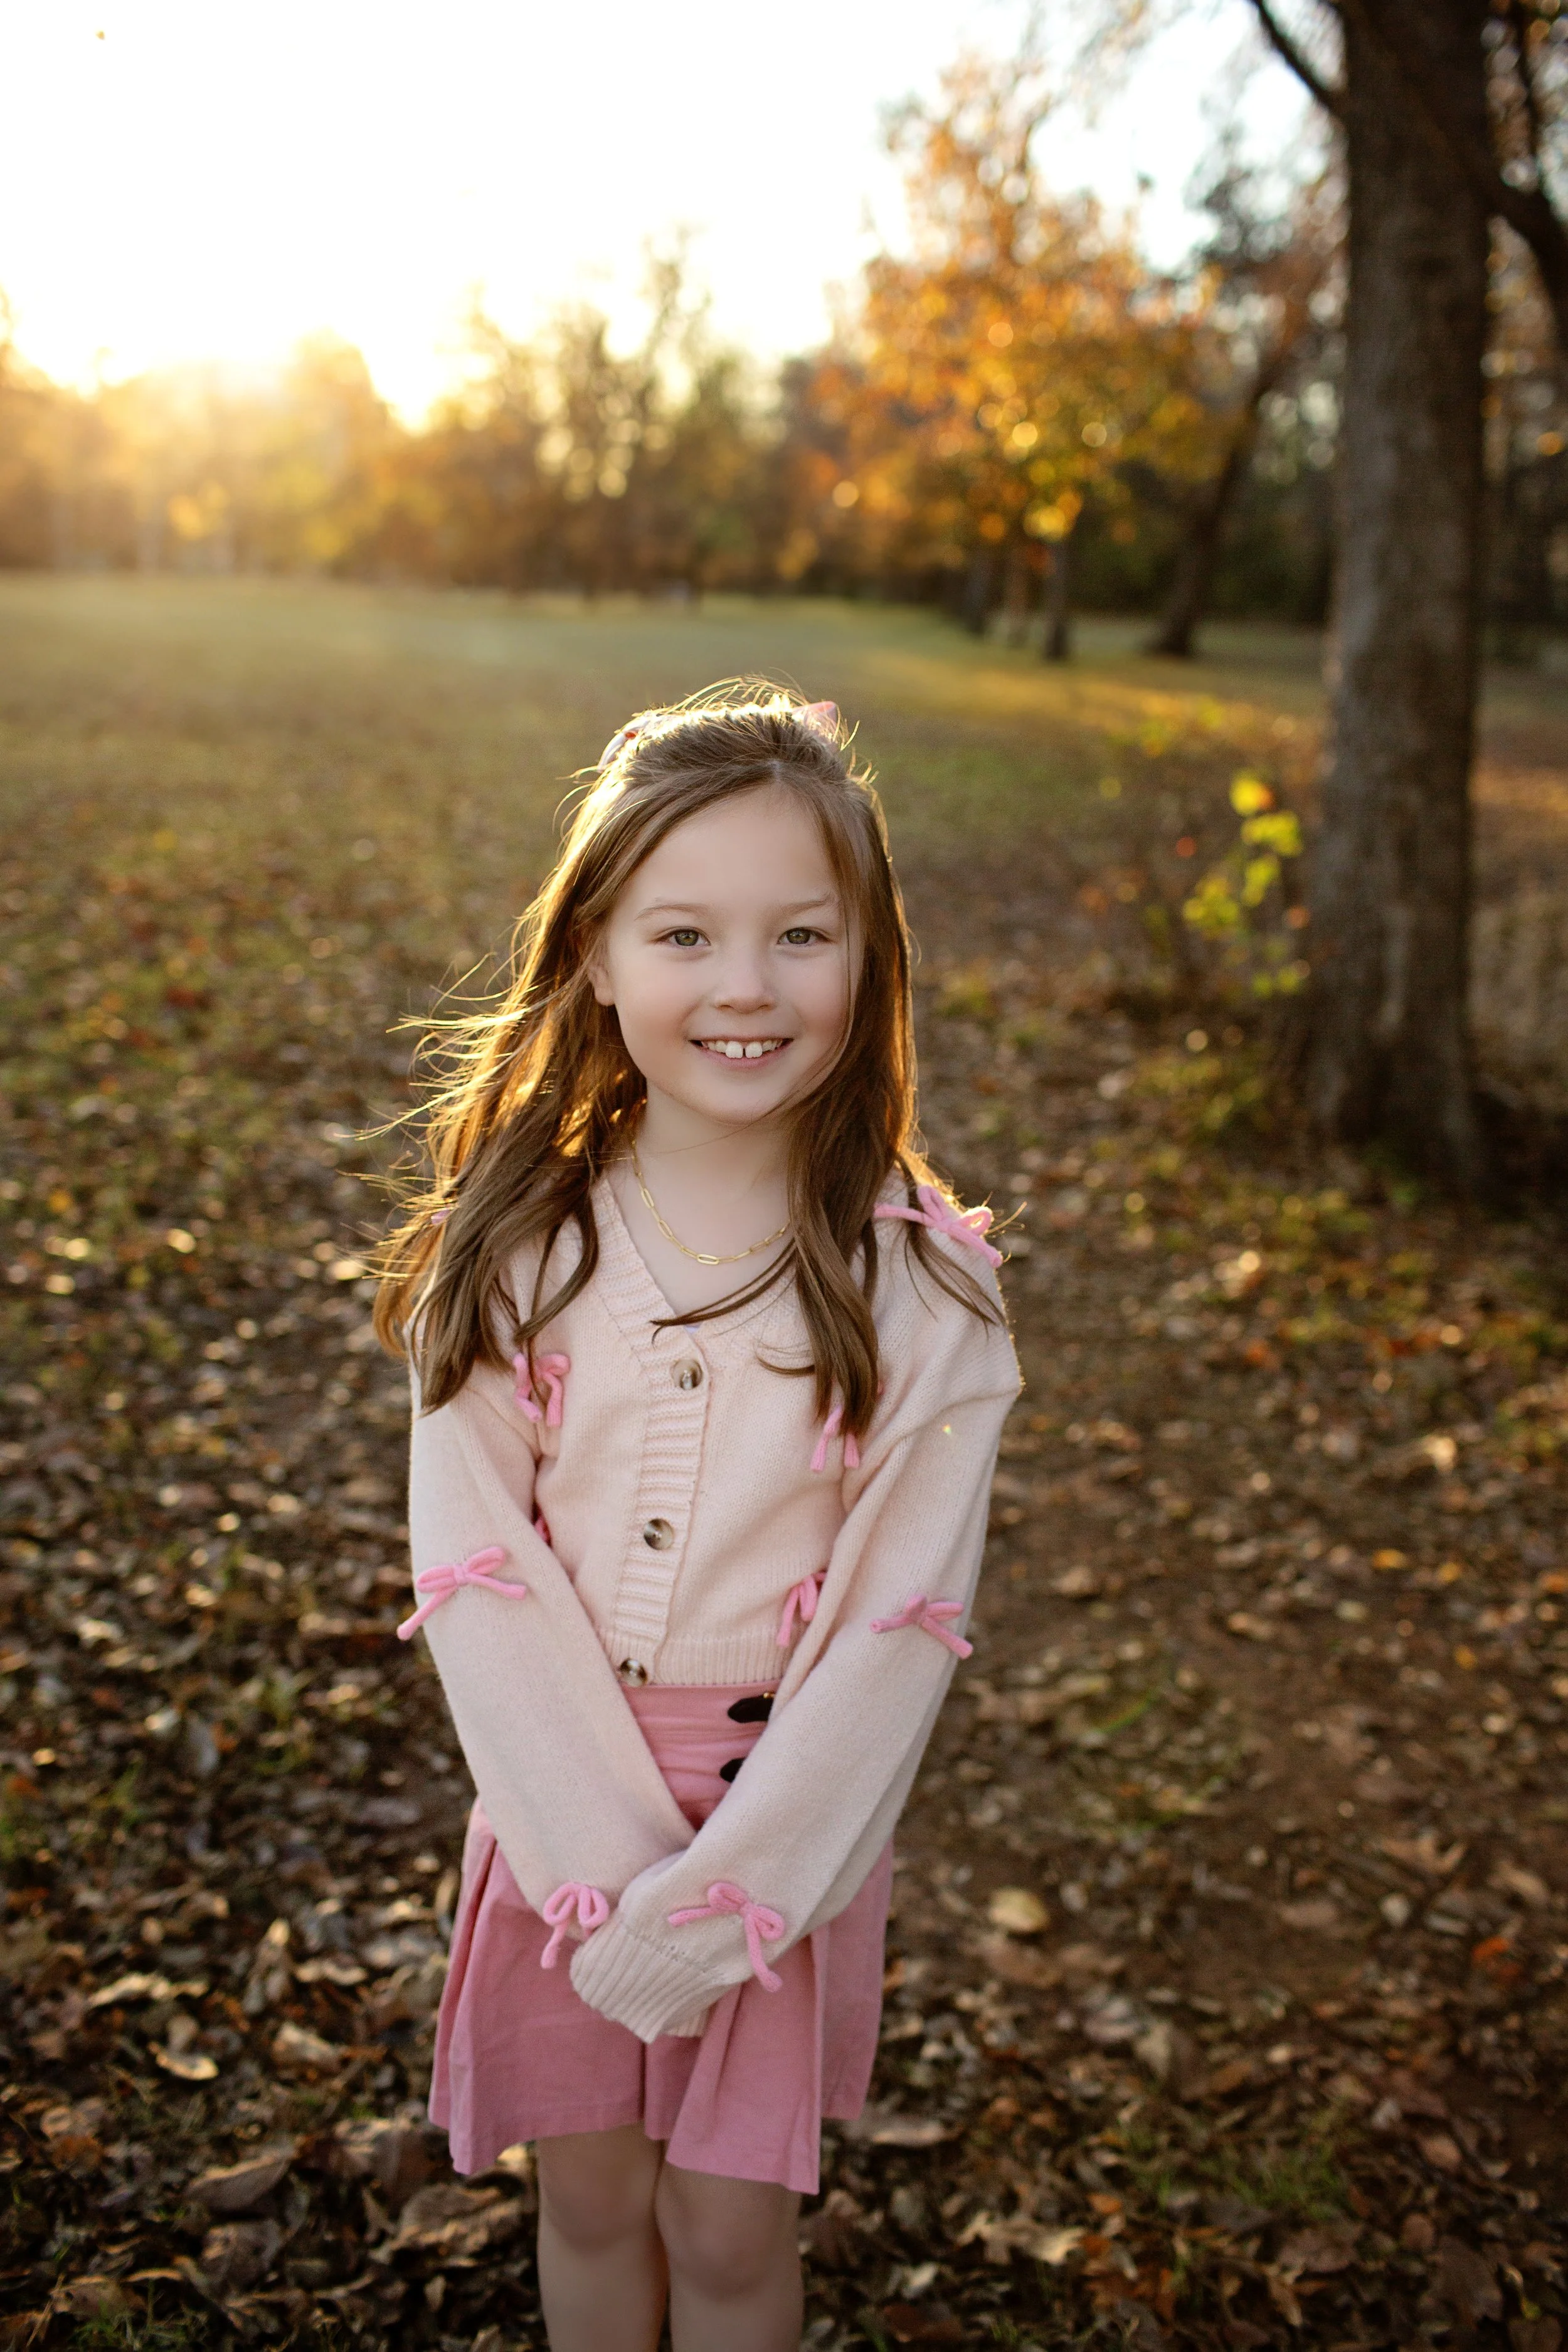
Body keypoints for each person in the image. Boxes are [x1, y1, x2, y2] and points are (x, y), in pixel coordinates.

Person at [374, 687, 1020, 2352]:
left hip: (778, 1844)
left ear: (867, 955)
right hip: (551, 1807)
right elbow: (480, 1572)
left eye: (800, 933)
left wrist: (727, 1900)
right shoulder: (515, 1248)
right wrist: (601, 1879)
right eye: (684, 932)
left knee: (723, 2233)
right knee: (587, 2200)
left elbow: (896, 1636)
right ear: (594, 951)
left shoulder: (926, 1288)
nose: (744, 985)